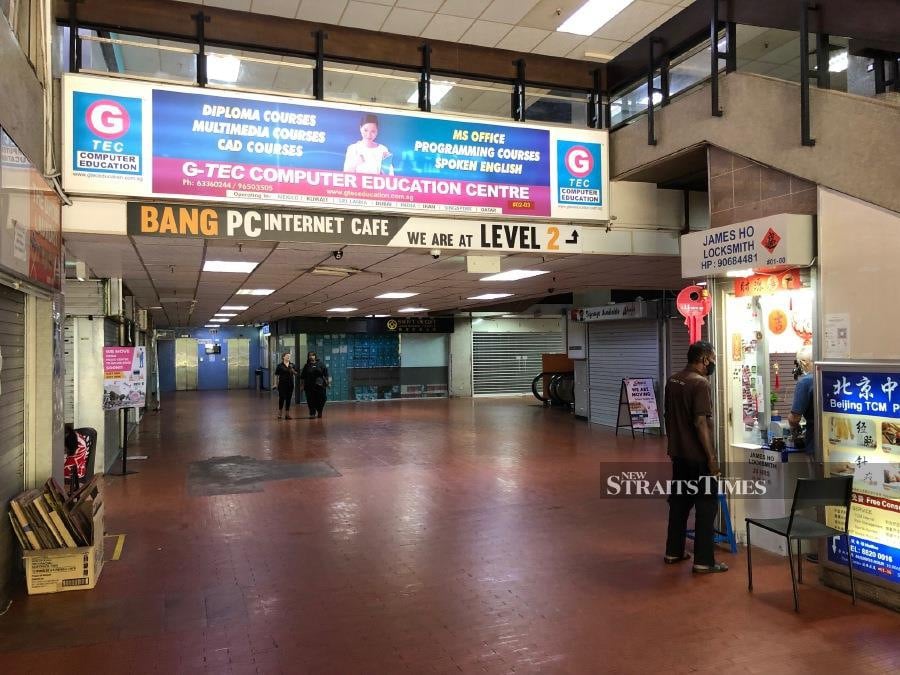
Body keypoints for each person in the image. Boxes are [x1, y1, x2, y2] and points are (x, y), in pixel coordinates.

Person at [664, 341, 727, 574]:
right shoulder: (700, 383)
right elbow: (701, 422)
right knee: (706, 506)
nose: (713, 363)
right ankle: (704, 561)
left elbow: (666, 415)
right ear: (703, 359)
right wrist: (711, 457)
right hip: (698, 458)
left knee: (679, 504)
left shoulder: (674, 380)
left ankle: (674, 551)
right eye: (712, 358)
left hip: (679, 455)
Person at [789, 346, 815, 457]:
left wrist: (793, 426)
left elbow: (795, 418)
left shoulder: (805, 382)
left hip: (816, 441)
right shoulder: (829, 376)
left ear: (803, 363)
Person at [300, 351, 329, 418]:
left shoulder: (321, 364)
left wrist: (327, 382)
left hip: (320, 385)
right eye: (310, 355)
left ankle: (320, 410)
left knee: (323, 398)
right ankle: (312, 413)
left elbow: (326, 374)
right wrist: (302, 385)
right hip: (309, 386)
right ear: (308, 357)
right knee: (310, 400)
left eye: (312, 355)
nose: (311, 357)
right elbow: (303, 377)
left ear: (315, 356)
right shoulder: (306, 365)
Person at [273, 352, 296, 419]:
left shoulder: (292, 365)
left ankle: (287, 414)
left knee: (288, 399)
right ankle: (280, 413)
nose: (288, 357)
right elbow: (276, 375)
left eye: (289, 356)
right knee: (282, 398)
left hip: (290, 384)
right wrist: (275, 384)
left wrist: (292, 370)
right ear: (283, 357)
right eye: (287, 356)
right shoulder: (279, 366)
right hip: (282, 384)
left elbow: (296, 373)